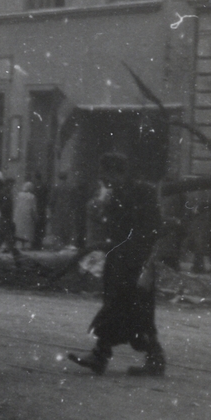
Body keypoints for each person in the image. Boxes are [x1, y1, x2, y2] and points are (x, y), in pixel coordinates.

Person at [68, 152, 167, 377]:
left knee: (133, 311)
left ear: (117, 172)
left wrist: (148, 265)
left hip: (137, 262)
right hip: (119, 261)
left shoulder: (143, 192)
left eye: (106, 174)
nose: (103, 179)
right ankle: (106, 355)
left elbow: (153, 229)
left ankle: (110, 356)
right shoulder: (115, 195)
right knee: (122, 309)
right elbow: (114, 231)